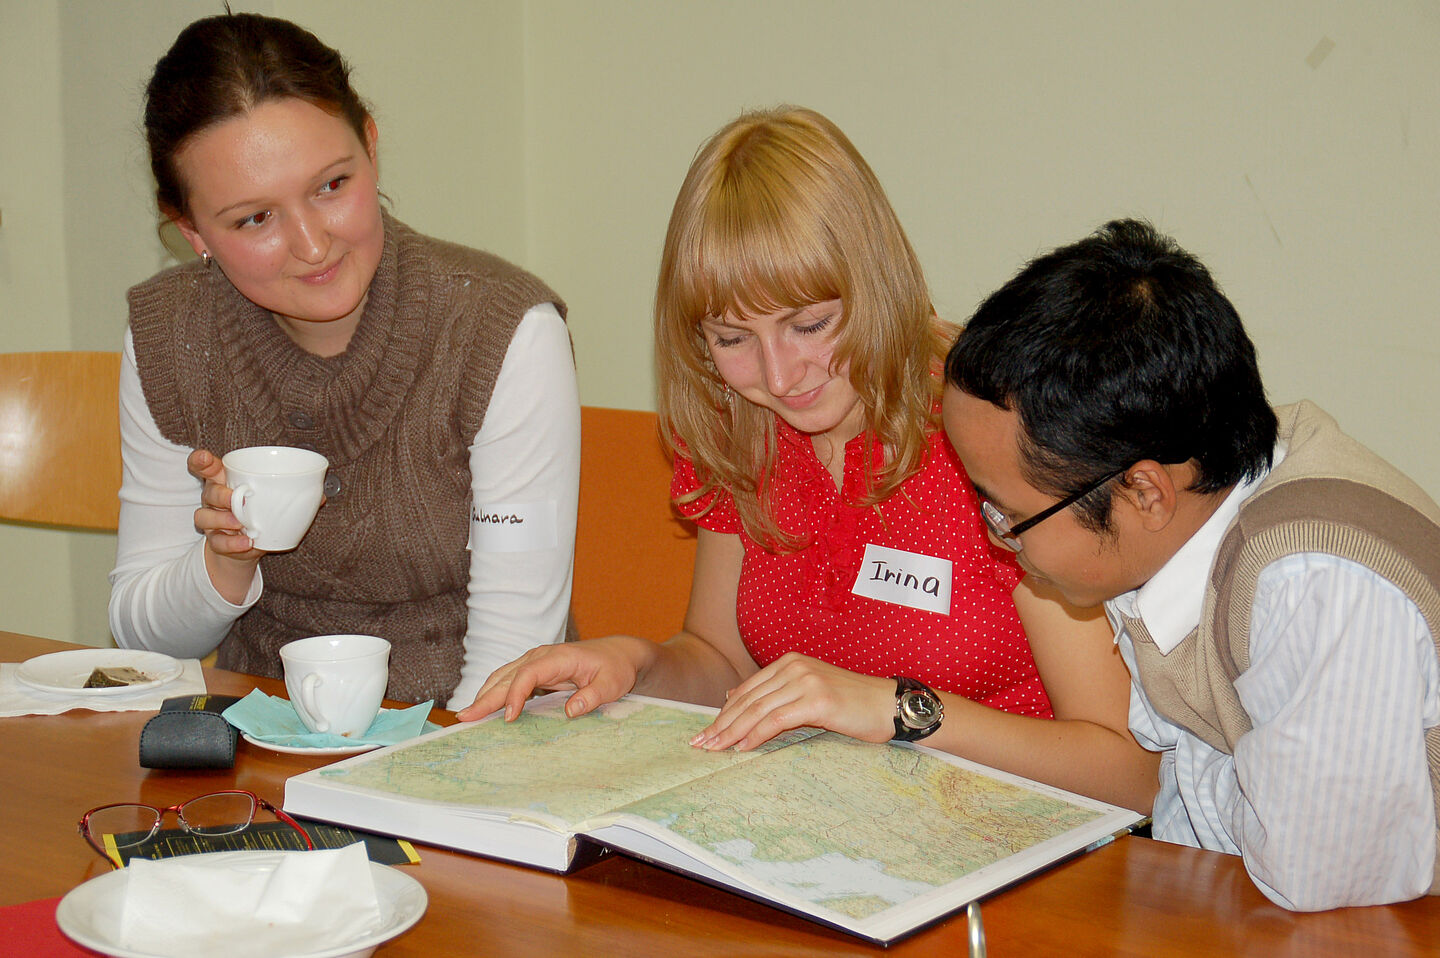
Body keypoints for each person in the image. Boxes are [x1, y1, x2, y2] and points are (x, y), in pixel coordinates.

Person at [461, 107, 1158, 813]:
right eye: (733, 339)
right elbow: (724, 660)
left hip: (1021, 846)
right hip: (837, 827)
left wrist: (900, 711)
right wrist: (635, 665)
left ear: (876, 286)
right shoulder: (742, 428)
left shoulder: (985, 431)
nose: (781, 374)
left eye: (810, 325)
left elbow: (1130, 775)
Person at [942, 218, 1440, 910]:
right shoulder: (1186, 506)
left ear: (1143, 491)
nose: (997, 535)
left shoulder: (1314, 579)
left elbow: (1319, 878)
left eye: (1007, 513)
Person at [108, 12, 579, 710]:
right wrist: (222, 564)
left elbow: (511, 662)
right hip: (257, 746)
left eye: (331, 185)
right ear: (190, 231)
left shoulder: (501, 331)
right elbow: (144, 643)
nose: (312, 244)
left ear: (372, 148)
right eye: (254, 219)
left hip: (469, 740)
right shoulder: (170, 335)